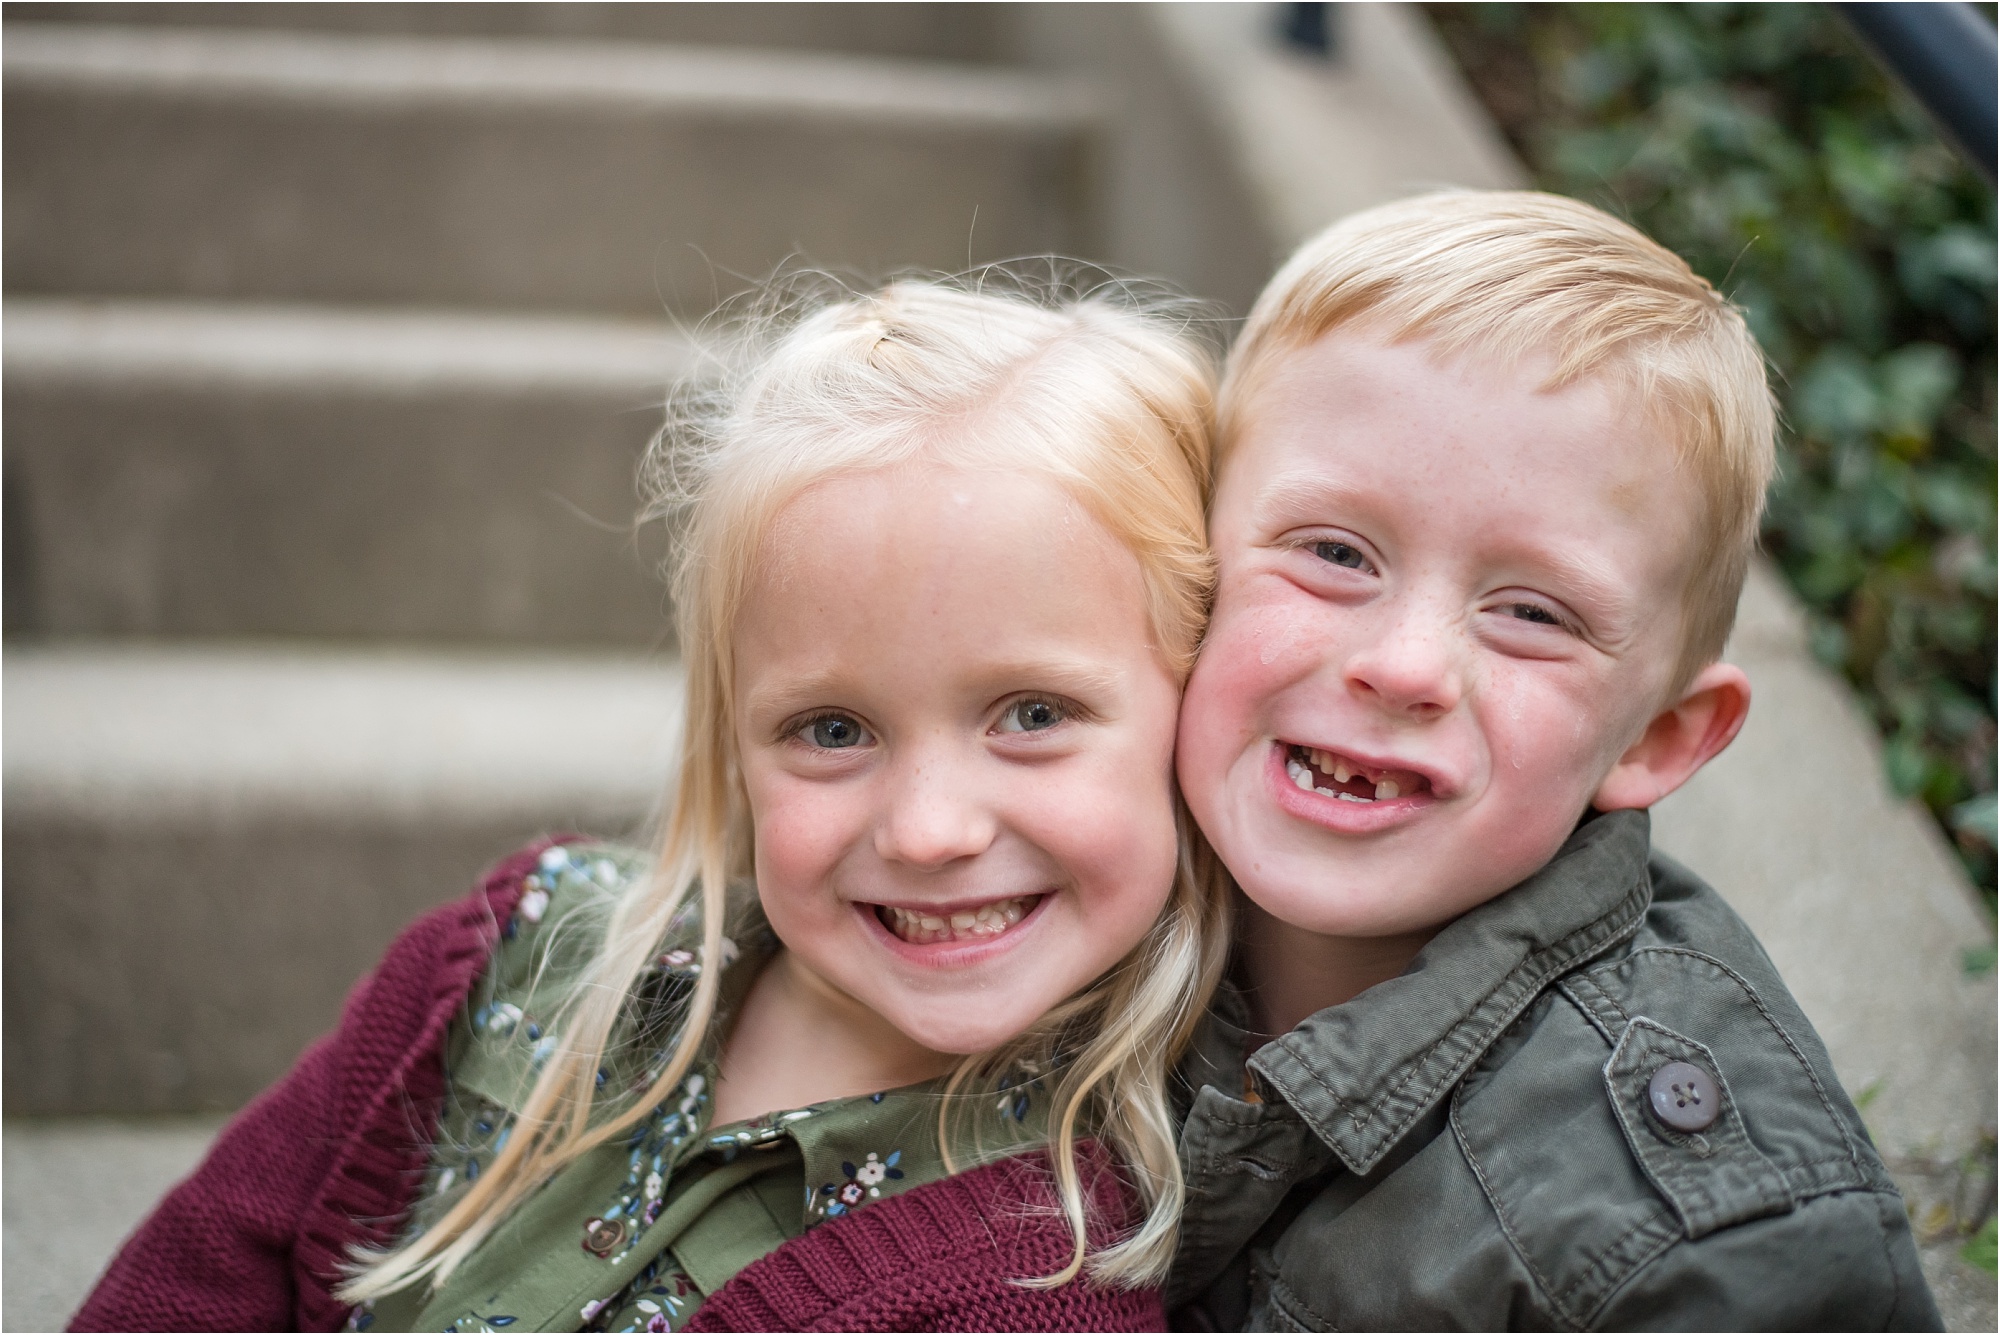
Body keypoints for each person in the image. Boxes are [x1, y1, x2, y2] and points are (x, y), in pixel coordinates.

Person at [73, 276, 1233, 1333]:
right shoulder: (525, 957)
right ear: (731, 741)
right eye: (831, 731)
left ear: (1193, 702)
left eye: (1030, 715)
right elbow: (206, 1266)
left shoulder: (1047, 1276)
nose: (929, 830)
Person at [1166, 191, 1942, 1330]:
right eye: (1334, 552)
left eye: (1530, 612)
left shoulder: (1694, 1248)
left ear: (1654, 738)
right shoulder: (1070, 872)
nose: (1404, 665)